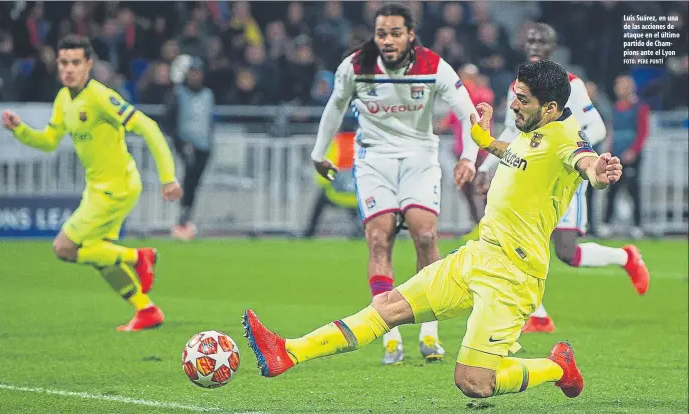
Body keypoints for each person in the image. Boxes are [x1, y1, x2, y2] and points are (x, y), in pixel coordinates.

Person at [243, 60, 625, 401]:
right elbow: (522, 155)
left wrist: (600, 173)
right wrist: (487, 142)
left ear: (551, 108)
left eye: (522, 100)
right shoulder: (537, 131)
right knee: (386, 306)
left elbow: (584, 162)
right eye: (515, 95)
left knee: (474, 383)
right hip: (479, 255)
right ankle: (287, 352)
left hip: (513, 276)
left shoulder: (567, 138)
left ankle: (558, 366)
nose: (513, 105)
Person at [307, 3, 479, 364]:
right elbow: (334, 107)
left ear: (410, 35)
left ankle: (429, 334)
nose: (387, 40)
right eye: (382, 33)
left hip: (419, 157)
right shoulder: (355, 66)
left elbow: (467, 112)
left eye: (395, 33)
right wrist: (319, 152)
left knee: (426, 235)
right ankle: (389, 333)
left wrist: (468, 158)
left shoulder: (433, 66)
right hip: (374, 160)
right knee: (378, 237)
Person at [1, 35, 183, 332]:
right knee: (100, 255)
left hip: (116, 187)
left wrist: (168, 177)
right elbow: (49, 141)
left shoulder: (100, 96)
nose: (69, 69)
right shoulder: (63, 98)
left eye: (75, 63)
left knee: (64, 248)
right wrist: (20, 129)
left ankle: (139, 256)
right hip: (97, 189)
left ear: (88, 65)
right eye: (64, 63)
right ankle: (146, 309)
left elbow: (148, 126)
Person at [475, 23, 649, 333]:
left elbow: (595, 128)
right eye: (530, 39)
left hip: (564, 178)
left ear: (553, 48)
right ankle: (537, 315)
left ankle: (625, 257)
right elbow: (509, 131)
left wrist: (572, 153)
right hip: (529, 178)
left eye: (542, 40)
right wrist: (486, 168)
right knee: (523, 242)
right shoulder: (516, 85)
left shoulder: (570, 84)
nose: (535, 44)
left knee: (567, 252)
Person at [434, 63, 494, 241]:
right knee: (466, 190)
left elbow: (482, 101)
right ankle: (478, 224)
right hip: (460, 152)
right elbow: (449, 120)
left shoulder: (480, 94)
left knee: (479, 189)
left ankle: (488, 224)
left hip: (480, 151)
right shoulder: (462, 99)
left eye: (465, 76)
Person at [168, 58, 215, 241]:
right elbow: (170, 118)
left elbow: (209, 120)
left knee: (194, 182)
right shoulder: (178, 93)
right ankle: (182, 218)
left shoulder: (208, 94)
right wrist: (179, 141)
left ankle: (186, 217)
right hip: (185, 144)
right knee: (186, 181)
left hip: (203, 145)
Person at [598, 74, 649, 239]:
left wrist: (633, 151)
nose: (618, 89)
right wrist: (609, 149)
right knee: (612, 189)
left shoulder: (640, 107)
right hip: (616, 153)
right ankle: (606, 224)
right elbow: (611, 130)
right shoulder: (615, 107)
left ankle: (637, 225)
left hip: (631, 154)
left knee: (633, 189)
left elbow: (642, 131)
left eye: (622, 86)